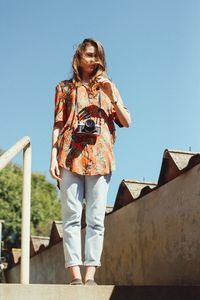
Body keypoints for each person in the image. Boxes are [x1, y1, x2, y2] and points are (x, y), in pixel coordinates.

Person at [49, 38, 131, 285]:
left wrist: (110, 95)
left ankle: (91, 276)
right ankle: (74, 274)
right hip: (68, 155)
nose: (93, 59)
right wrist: (52, 157)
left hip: (100, 157)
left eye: (97, 55)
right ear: (79, 57)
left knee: (96, 219)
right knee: (72, 216)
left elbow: (126, 121)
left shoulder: (109, 86)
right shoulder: (64, 88)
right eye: (89, 54)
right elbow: (58, 124)